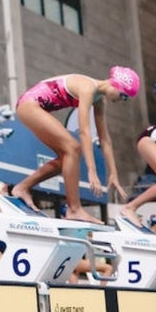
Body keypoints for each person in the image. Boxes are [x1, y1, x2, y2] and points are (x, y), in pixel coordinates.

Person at [10, 68, 136, 223]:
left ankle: (22, 187)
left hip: (34, 107)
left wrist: (113, 173)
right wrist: (91, 170)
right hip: (29, 105)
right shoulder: (88, 88)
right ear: (116, 85)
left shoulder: (99, 99)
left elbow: (104, 138)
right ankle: (74, 209)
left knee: (66, 159)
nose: (122, 100)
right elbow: (84, 131)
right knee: (73, 148)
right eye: (123, 95)